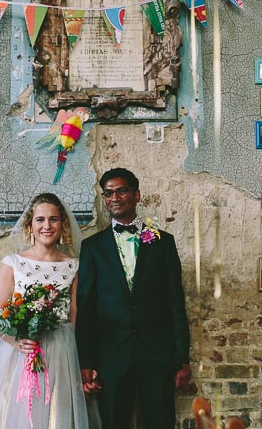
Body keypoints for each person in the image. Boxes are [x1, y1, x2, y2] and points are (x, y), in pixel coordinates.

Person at [0, 193, 94, 429]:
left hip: (61, 352)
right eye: (40, 220)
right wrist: (16, 341)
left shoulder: (73, 266)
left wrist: (78, 362)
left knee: (56, 414)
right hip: (18, 352)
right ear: (30, 225)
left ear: (63, 224)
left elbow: (75, 315)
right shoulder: (13, 262)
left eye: (53, 219)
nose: (46, 226)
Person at [76, 168, 191, 428]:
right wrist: (86, 362)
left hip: (158, 356)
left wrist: (183, 359)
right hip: (111, 358)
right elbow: (86, 309)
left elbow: (176, 302)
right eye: (108, 193)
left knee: (161, 422)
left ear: (137, 195)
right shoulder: (92, 247)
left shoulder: (163, 242)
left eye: (122, 190)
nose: (115, 197)